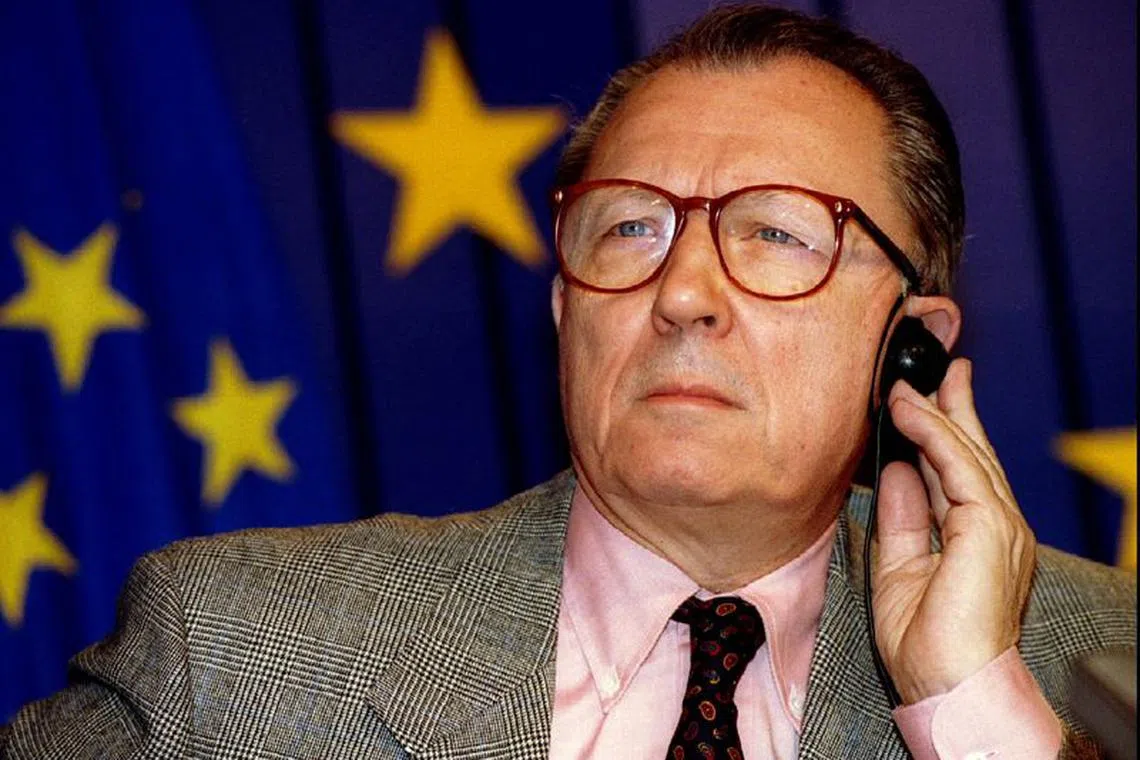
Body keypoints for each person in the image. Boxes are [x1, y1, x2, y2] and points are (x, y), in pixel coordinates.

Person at [2, 5, 1134, 759]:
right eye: (629, 226)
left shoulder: (1101, 666)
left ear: (913, 346)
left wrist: (973, 706)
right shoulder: (230, 653)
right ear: (564, 307)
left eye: (782, 234)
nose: (684, 290)